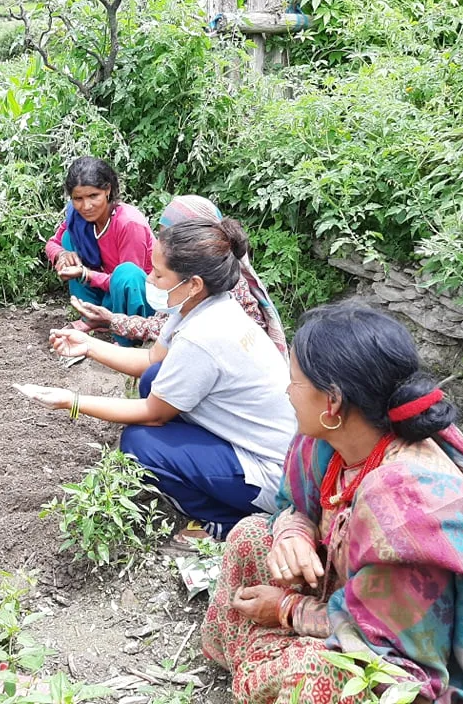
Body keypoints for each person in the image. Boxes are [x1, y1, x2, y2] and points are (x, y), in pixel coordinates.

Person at [202, 304, 463, 704]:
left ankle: (265, 657)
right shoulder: (328, 441)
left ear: (332, 402)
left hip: (412, 654)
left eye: (294, 381)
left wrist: (288, 609)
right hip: (352, 590)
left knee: (322, 677)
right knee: (249, 536)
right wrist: (293, 532)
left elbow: (397, 659)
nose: (286, 391)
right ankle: (256, 658)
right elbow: (289, 505)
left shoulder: (405, 509)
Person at [17, 207, 296, 541]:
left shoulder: (204, 335)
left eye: (159, 275)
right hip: (265, 444)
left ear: (193, 283)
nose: (149, 280)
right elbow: (151, 358)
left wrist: (71, 401)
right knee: (154, 379)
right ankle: (220, 491)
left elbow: (152, 414)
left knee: (139, 443)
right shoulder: (202, 305)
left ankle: (227, 520)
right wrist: (88, 345)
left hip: (274, 476)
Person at [69, 195, 287, 356]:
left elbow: (161, 333)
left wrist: (110, 323)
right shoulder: (195, 286)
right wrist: (111, 321)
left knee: (152, 376)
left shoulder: (223, 292)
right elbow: (164, 326)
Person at [44, 156, 154, 345]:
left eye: (93, 196)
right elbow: (52, 244)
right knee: (68, 239)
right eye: (78, 199)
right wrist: (62, 256)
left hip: (140, 301)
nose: (86, 206)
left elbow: (128, 281)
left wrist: (86, 274)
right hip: (107, 287)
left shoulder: (128, 224)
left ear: (108, 190)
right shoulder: (78, 218)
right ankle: (93, 317)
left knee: (126, 273)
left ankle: (127, 339)